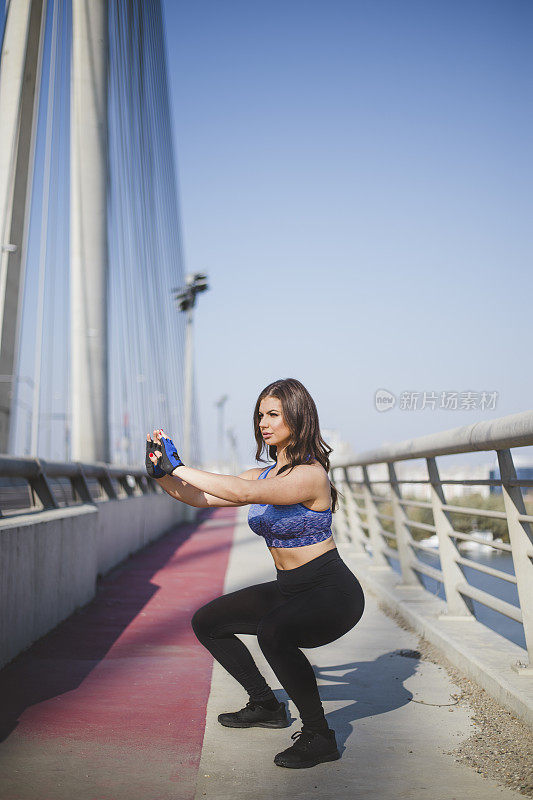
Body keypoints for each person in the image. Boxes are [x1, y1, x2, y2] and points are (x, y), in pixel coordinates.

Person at [145, 377, 365, 769]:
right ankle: (265, 704)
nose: (263, 423)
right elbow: (198, 497)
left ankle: (319, 736)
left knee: (274, 632)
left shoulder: (310, 475)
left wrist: (181, 465)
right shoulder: (261, 474)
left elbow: (243, 495)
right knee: (208, 621)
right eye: (260, 415)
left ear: (298, 418)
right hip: (290, 587)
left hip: (332, 592)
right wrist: (162, 474)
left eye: (274, 414)